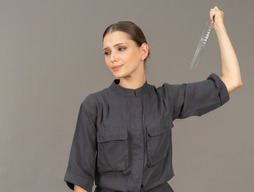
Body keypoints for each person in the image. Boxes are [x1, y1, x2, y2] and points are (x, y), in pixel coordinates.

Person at [64, 6, 242, 192]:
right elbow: (80, 178)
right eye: (107, 52)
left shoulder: (167, 99)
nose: (113, 58)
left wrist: (219, 28)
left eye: (121, 49)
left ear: (143, 51)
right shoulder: (94, 106)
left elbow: (232, 80)